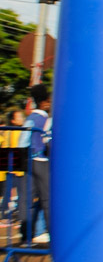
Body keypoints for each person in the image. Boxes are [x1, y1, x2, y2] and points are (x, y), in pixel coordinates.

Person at [19, 84, 52, 244]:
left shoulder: (29, 118)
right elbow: (48, 141)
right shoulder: (47, 120)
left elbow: (22, 141)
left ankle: (26, 236)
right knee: (47, 200)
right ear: (44, 102)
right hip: (43, 162)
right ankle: (52, 233)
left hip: (28, 161)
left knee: (27, 199)